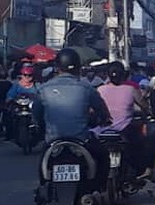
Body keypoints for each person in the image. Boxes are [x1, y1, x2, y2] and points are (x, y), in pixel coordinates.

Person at [37, 49, 112, 183]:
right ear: (78, 68)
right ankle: (98, 188)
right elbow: (101, 109)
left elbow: (37, 114)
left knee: (42, 162)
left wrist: (42, 128)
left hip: (53, 141)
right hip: (82, 140)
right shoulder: (86, 88)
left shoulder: (43, 89)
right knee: (103, 156)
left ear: (57, 67)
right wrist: (105, 119)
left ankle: (44, 189)